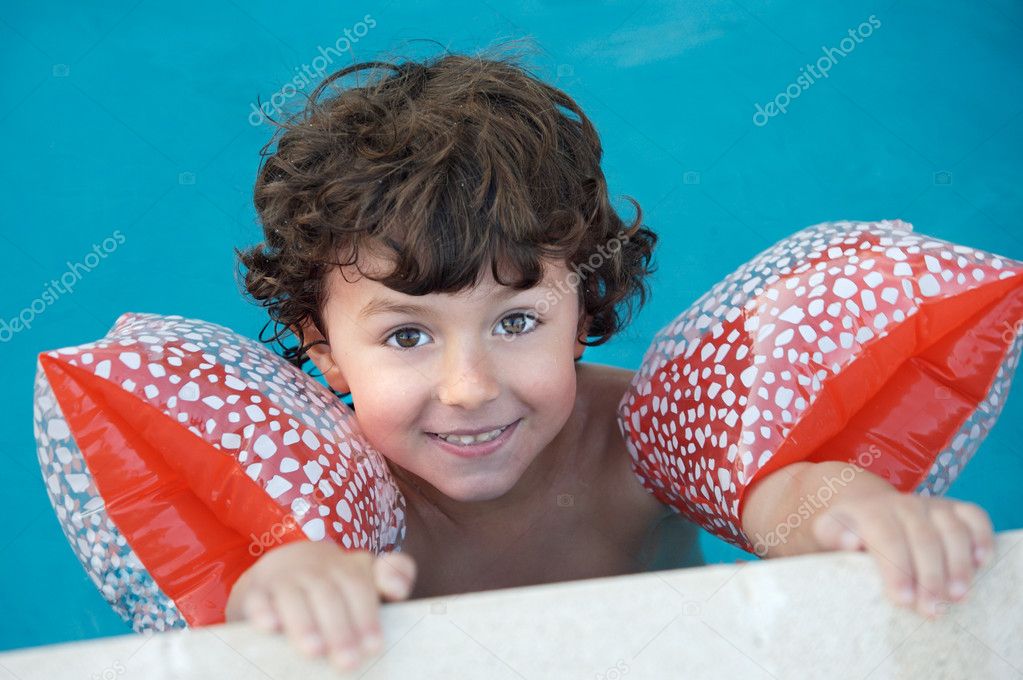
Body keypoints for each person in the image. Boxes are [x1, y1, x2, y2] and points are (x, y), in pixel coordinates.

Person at [230, 47, 994, 673]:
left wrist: (855, 513)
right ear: (321, 349)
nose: (469, 389)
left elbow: (776, 494)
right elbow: (239, 604)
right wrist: (285, 582)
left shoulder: (640, 440)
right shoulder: (325, 499)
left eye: (518, 320)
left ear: (582, 311)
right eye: (407, 337)